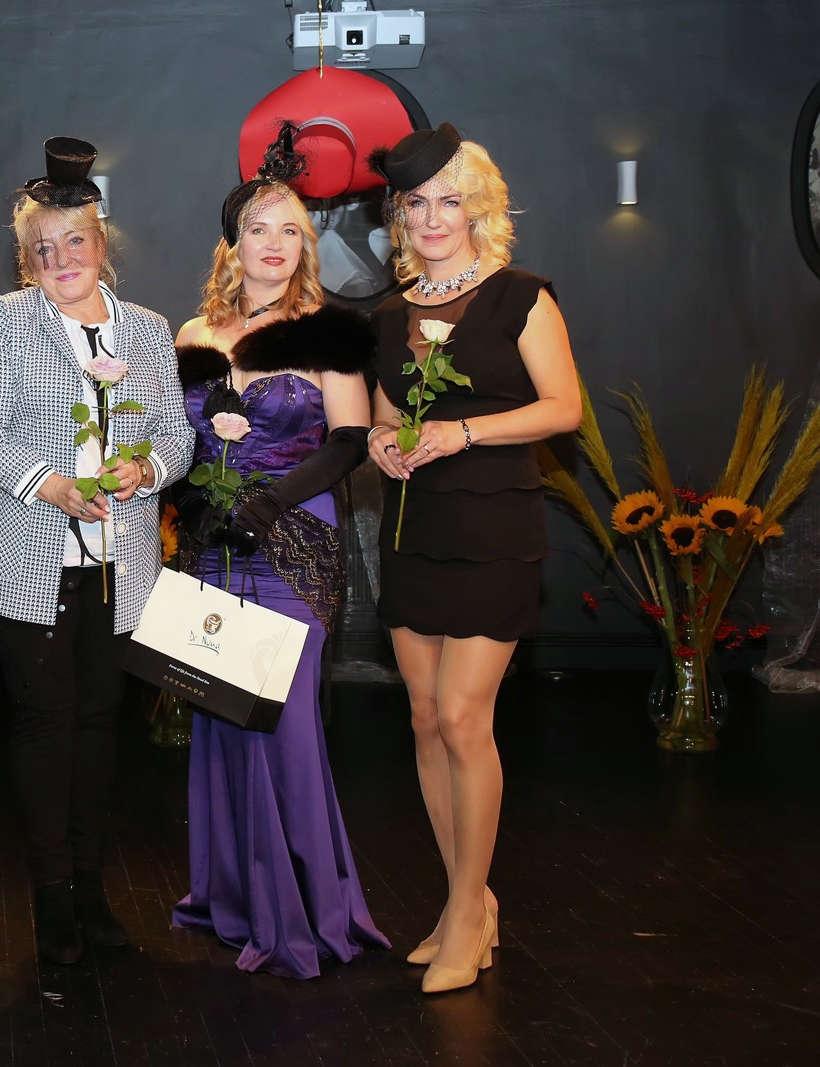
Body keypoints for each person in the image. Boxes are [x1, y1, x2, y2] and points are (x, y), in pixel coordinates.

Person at [0, 137, 194, 965]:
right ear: (27, 261)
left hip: (120, 568)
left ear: (101, 243)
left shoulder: (149, 331)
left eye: (74, 241)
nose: (61, 259)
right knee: (46, 724)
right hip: (26, 561)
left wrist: (145, 469)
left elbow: (179, 438)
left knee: (98, 725)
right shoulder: (8, 320)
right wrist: (50, 484)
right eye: (42, 249)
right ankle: (51, 897)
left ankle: (92, 889)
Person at [168, 124, 389, 978]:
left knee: (285, 720)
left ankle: (307, 907)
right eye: (258, 227)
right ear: (233, 242)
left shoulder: (330, 330)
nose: (273, 242)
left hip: (294, 540)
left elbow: (349, 441)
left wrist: (266, 503)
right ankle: (232, 897)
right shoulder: (197, 329)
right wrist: (196, 503)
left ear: (306, 245)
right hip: (213, 547)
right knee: (223, 717)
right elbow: (180, 444)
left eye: (290, 228)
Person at [366, 123, 580, 993]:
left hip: (494, 531)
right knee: (423, 716)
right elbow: (385, 414)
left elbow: (563, 408)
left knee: (463, 718)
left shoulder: (520, 297)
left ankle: (463, 912)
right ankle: (471, 899)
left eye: (448, 200)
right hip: (413, 531)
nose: (431, 218)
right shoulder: (389, 314)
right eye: (416, 203)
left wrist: (464, 432)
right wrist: (382, 442)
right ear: (399, 216)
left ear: (477, 207)